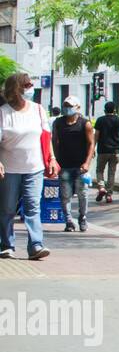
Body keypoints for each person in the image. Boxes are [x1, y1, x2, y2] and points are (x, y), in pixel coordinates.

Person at [0, 72, 53, 261]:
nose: (30, 88)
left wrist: (52, 158)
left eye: (31, 84)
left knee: (33, 207)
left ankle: (36, 245)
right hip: (10, 169)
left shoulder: (38, 109)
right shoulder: (3, 112)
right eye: (27, 85)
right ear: (16, 88)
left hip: (34, 168)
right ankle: (6, 245)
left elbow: (46, 137)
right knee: (7, 208)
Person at [51, 96, 95, 233]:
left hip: (81, 166)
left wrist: (87, 162)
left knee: (83, 194)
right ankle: (68, 220)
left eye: (70, 105)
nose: (67, 108)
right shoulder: (58, 123)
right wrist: (54, 159)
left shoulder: (85, 124)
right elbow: (54, 141)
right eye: (65, 105)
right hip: (64, 165)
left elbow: (91, 144)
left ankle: (82, 217)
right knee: (65, 195)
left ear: (78, 108)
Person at [93, 101, 119, 204]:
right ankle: (109, 195)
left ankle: (102, 188)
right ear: (115, 110)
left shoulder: (100, 120)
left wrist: (93, 148)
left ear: (104, 110)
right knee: (111, 172)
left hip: (103, 150)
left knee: (99, 170)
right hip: (115, 150)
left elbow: (96, 135)